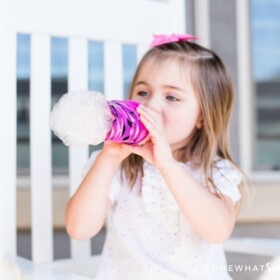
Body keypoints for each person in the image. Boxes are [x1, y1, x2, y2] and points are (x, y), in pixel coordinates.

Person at [65, 34, 246, 279]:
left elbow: (217, 231)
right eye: (142, 92)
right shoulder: (121, 167)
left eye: (171, 97)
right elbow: (79, 228)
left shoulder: (215, 172)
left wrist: (168, 166)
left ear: (203, 116)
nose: (150, 106)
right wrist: (108, 157)